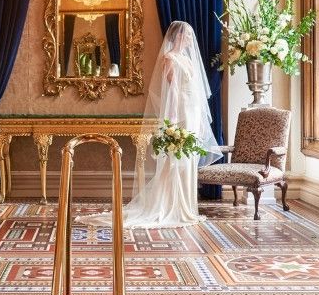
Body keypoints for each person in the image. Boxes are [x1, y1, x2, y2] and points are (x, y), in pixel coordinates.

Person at [79, 21, 221, 228]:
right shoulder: (169, 58)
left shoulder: (188, 60)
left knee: (188, 160)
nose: (191, 39)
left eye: (190, 35)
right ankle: (170, 206)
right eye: (187, 35)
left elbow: (197, 94)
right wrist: (170, 120)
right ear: (178, 37)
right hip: (180, 111)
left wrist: (198, 120)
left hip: (193, 112)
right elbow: (171, 92)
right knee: (176, 160)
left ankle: (186, 208)